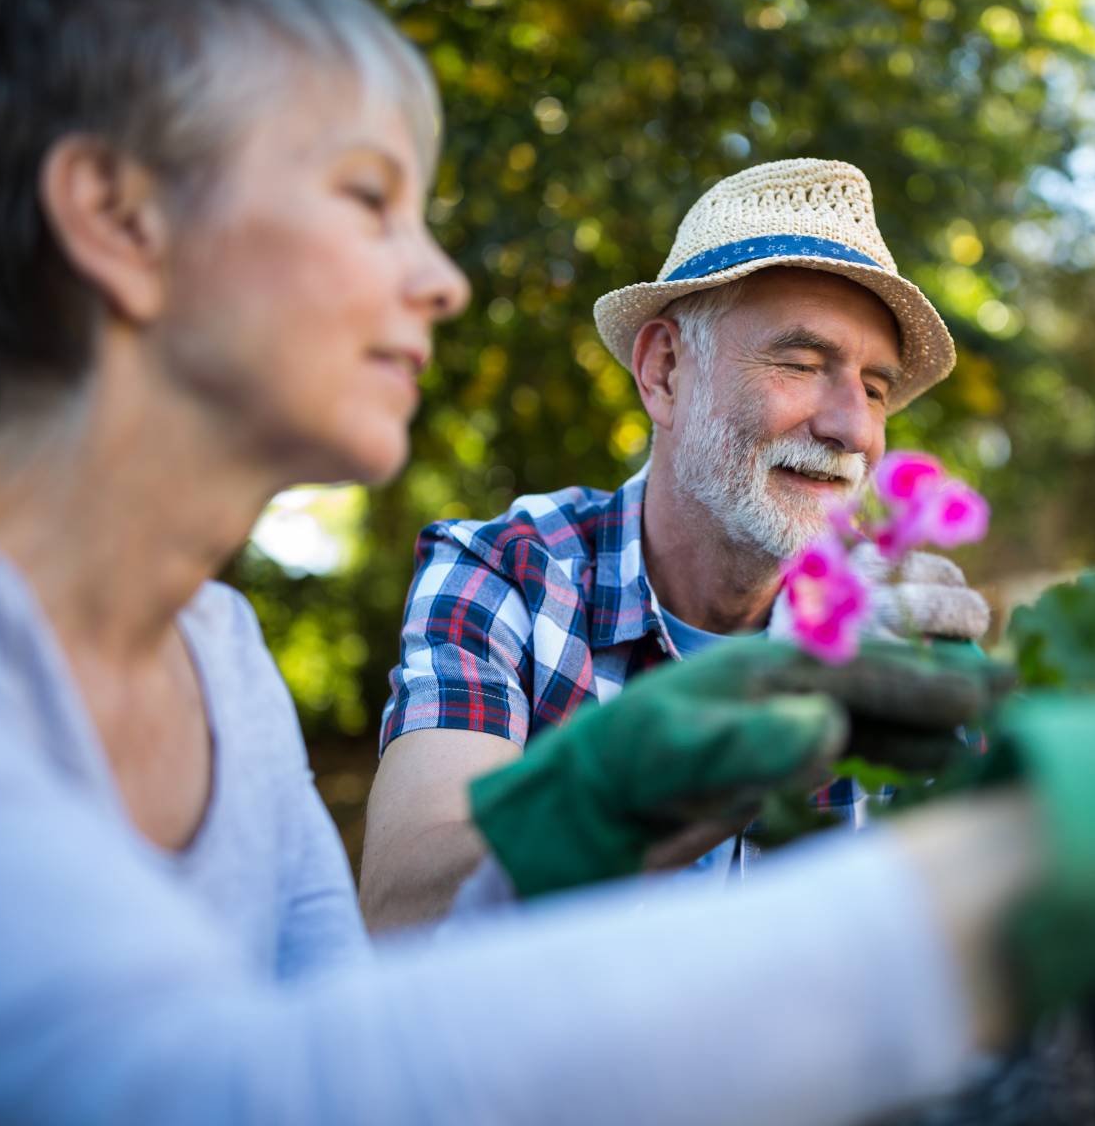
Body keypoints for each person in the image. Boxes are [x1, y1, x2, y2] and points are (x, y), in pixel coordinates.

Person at [0, 0, 1095, 1122]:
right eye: (367, 199)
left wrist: (606, 810)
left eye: (875, 382)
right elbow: (221, 1092)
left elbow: (355, 1022)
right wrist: (1049, 854)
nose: (442, 278)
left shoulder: (218, 660)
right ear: (121, 221)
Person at [361, 158, 992, 930]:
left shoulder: (890, 627)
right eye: (800, 363)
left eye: (873, 388)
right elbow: (403, 906)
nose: (853, 429)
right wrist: (657, 775)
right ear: (663, 372)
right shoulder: (510, 571)